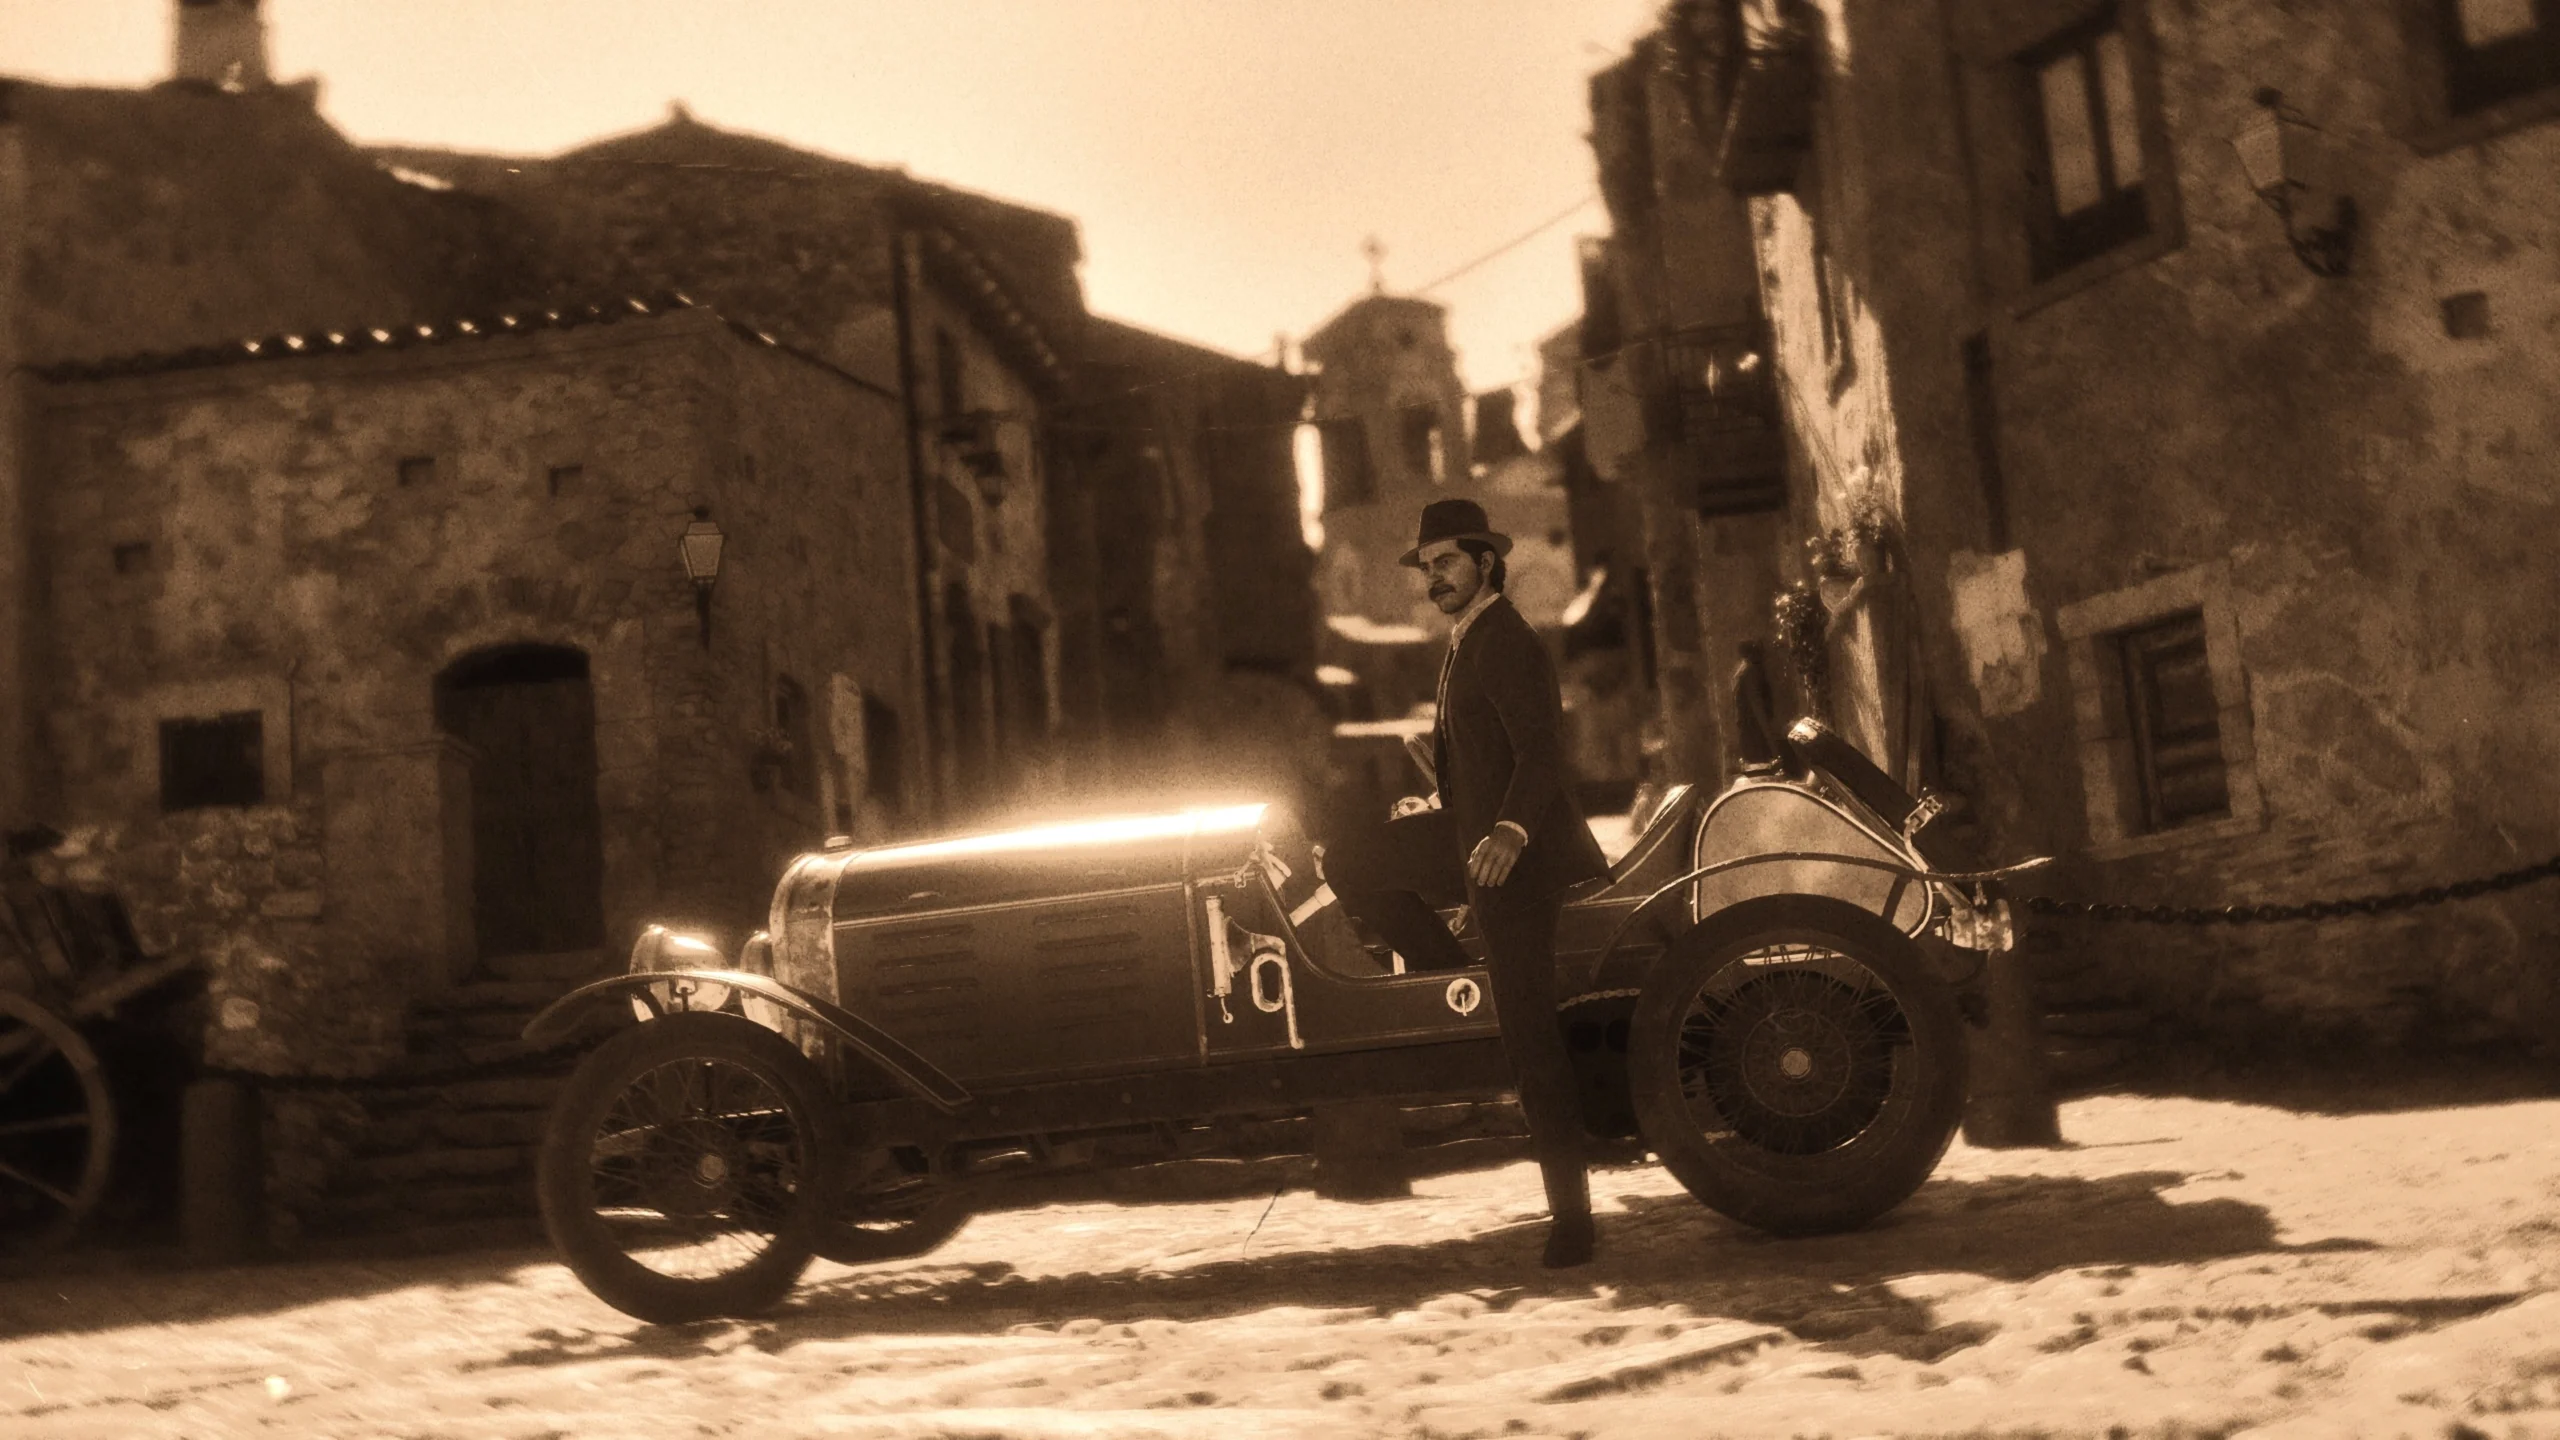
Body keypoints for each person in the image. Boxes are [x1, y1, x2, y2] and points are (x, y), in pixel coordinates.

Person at [1320, 498, 1610, 1268]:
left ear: (1486, 561)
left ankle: (1573, 1223)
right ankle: (1452, 979)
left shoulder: (1506, 639)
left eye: (1446, 561)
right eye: (1426, 566)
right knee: (1351, 861)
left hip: (1519, 857)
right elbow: (1482, 756)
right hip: (1472, 834)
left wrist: (1512, 830)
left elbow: (1542, 752)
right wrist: (1444, 806)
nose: (1433, 577)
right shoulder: (1467, 637)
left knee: (1529, 1034)